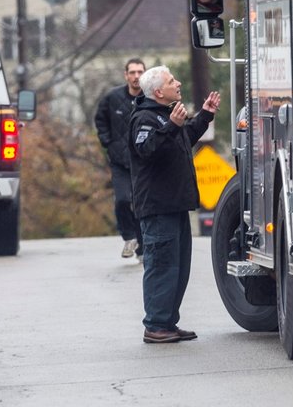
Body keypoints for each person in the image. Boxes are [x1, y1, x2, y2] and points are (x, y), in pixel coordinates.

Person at [129, 65, 220, 343]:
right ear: (158, 91)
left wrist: (204, 116)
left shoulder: (167, 116)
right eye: (171, 81)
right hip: (158, 208)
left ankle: (168, 321)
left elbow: (183, 139)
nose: (178, 83)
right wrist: (171, 127)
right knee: (161, 266)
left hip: (176, 205)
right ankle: (155, 325)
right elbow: (147, 150)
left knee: (178, 268)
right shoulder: (144, 119)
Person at [94, 58, 146, 260]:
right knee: (123, 200)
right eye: (132, 72)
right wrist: (108, 142)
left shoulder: (150, 98)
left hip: (143, 162)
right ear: (126, 75)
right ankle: (129, 236)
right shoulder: (112, 97)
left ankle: (142, 248)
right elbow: (100, 120)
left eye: (140, 72)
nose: (136, 76)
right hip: (119, 162)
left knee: (142, 204)